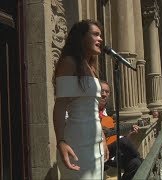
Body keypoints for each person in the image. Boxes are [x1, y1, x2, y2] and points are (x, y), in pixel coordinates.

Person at [53, 19, 108, 179]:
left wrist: (102, 139)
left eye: (101, 35)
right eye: (95, 34)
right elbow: (60, 106)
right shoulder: (69, 63)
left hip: (95, 144)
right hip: (77, 143)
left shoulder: (91, 67)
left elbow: (94, 109)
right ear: (82, 37)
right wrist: (61, 141)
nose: (101, 39)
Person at [99, 81, 142, 180]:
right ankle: (143, 161)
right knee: (123, 142)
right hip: (98, 153)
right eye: (102, 91)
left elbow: (113, 139)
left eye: (107, 92)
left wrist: (129, 134)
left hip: (111, 155)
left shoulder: (107, 117)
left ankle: (140, 161)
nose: (104, 94)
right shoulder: (89, 112)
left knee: (135, 163)